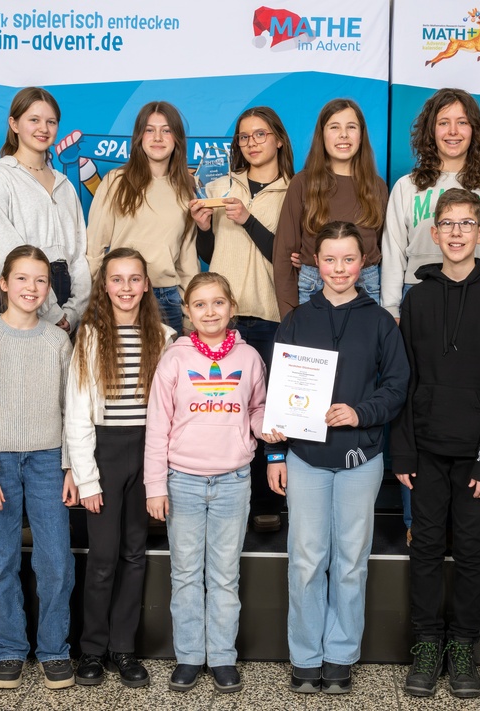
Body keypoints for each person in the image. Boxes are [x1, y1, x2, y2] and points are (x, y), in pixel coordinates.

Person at [266, 221, 410, 694]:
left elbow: (397, 386)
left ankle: (340, 655)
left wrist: (360, 412)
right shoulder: (296, 320)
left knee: (350, 562)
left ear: (363, 262)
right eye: (330, 259)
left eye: (349, 259)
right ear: (316, 262)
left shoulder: (379, 322)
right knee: (306, 560)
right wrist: (275, 453)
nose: (339, 268)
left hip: (360, 460)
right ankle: (306, 655)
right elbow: (276, 394)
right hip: (305, 459)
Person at [392, 189, 480, 699]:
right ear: (434, 232)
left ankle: (462, 645)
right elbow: (404, 380)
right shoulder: (416, 299)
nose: (458, 232)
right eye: (448, 223)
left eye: (467, 224)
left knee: (470, 548)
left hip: (475, 456)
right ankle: (426, 642)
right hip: (425, 449)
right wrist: (403, 450)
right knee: (424, 547)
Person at [0, 246, 77, 690]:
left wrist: (71, 466)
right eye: (22, 278)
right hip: (0, 463)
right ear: (4, 283)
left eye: (41, 280)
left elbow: (71, 409)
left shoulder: (57, 341)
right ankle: (9, 649)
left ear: (49, 289)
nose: (32, 287)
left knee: (56, 560)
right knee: (2, 560)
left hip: (48, 460)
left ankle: (54, 649)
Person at [144, 273, 267, 694]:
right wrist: (155, 485)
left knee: (225, 575)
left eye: (218, 303)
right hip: (183, 481)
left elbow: (257, 407)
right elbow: (157, 426)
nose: (210, 311)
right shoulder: (174, 359)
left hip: (233, 480)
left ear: (232, 307)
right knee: (185, 574)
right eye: (200, 304)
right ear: (187, 312)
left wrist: (265, 426)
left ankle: (222, 657)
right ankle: (190, 656)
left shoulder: (249, 357)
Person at [66, 247, 176, 689]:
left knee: (134, 554)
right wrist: (87, 478)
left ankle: (123, 648)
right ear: (105, 286)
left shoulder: (164, 337)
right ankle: (92, 650)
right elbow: (78, 412)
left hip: (147, 451)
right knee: (103, 557)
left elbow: (172, 411)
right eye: (117, 279)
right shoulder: (91, 335)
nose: (126, 287)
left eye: (134, 279)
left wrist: (161, 473)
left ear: (146, 285)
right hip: (105, 454)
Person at [190, 106, 294, 531]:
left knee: (269, 409)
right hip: (223, 318)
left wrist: (248, 221)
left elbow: (287, 258)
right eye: (245, 137)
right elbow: (209, 254)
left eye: (260, 134)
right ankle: (228, 498)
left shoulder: (294, 191)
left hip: (271, 313)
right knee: (225, 408)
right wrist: (203, 228)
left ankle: (269, 499)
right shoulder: (219, 186)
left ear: (279, 139)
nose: (252, 143)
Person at [380, 88, 480, 319]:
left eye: (462, 122)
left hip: (476, 294)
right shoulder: (406, 187)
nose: (453, 131)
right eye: (443, 123)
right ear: (431, 130)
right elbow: (393, 252)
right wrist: (390, 308)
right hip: (416, 292)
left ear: (474, 130)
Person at [0, 87, 91, 334]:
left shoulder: (65, 185)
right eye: (34, 120)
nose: (44, 128)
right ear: (14, 124)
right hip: (20, 293)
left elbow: (79, 255)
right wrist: (51, 311)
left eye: (51, 122)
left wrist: (74, 311)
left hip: (63, 291)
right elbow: (3, 250)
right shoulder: (1, 175)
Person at [87, 101, 198, 334]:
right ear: (139, 137)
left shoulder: (186, 189)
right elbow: (95, 247)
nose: (157, 137)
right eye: (149, 130)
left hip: (166, 298)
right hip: (121, 295)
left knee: (167, 359)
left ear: (177, 138)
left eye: (166, 130)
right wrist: (97, 297)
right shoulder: (116, 181)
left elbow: (187, 261)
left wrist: (191, 313)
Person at [273, 99, 388, 316]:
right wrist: (289, 316)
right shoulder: (302, 183)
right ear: (322, 135)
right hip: (313, 287)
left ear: (361, 135)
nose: (343, 135)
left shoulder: (377, 187)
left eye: (351, 127)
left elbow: (383, 248)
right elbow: (284, 255)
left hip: (366, 285)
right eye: (334, 127)